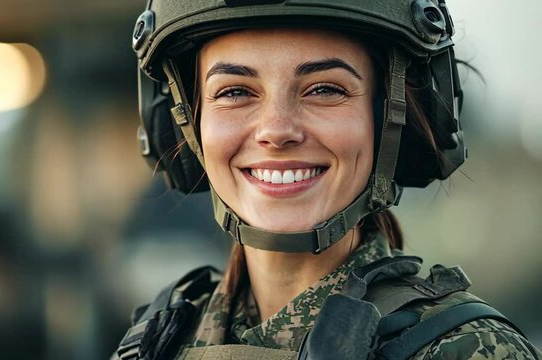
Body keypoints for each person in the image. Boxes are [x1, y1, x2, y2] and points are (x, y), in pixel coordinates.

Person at [115, 0, 542, 359]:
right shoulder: (155, 344)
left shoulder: (469, 349)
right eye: (234, 92)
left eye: (324, 89)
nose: (277, 130)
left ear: (391, 119)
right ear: (189, 125)